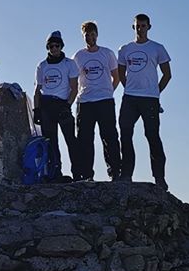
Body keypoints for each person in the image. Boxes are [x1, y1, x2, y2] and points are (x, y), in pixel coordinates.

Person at [117, 14, 172, 188]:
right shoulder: (125, 49)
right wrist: (129, 87)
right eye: (137, 26)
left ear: (149, 27)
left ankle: (159, 178)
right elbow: (121, 72)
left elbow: (167, 74)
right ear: (133, 27)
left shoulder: (157, 48)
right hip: (130, 98)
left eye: (143, 26)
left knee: (152, 135)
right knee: (125, 134)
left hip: (150, 99)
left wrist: (156, 91)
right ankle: (126, 174)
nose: (140, 29)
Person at [72, 21, 121, 181]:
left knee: (110, 136)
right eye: (87, 35)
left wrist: (108, 91)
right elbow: (73, 79)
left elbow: (116, 76)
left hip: (105, 100)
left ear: (97, 35)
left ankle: (115, 172)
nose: (90, 38)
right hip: (85, 101)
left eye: (93, 35)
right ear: (83, 36)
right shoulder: (78, 56)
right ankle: (87, 174)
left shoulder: (107, 53)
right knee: (85, 139)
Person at [33, 30, 79, 182]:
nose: (54, 49)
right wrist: (36, 110)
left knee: (71, 140)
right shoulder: (42, 66)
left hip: (62, 104)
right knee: (51, 143)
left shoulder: (69, 64)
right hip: (46, 105)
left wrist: (68, 105)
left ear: (61, 46)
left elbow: (74, 88)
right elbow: (37, 90)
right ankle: (55, 173)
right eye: (51, 46)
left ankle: (78, 172)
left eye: (57, 46)